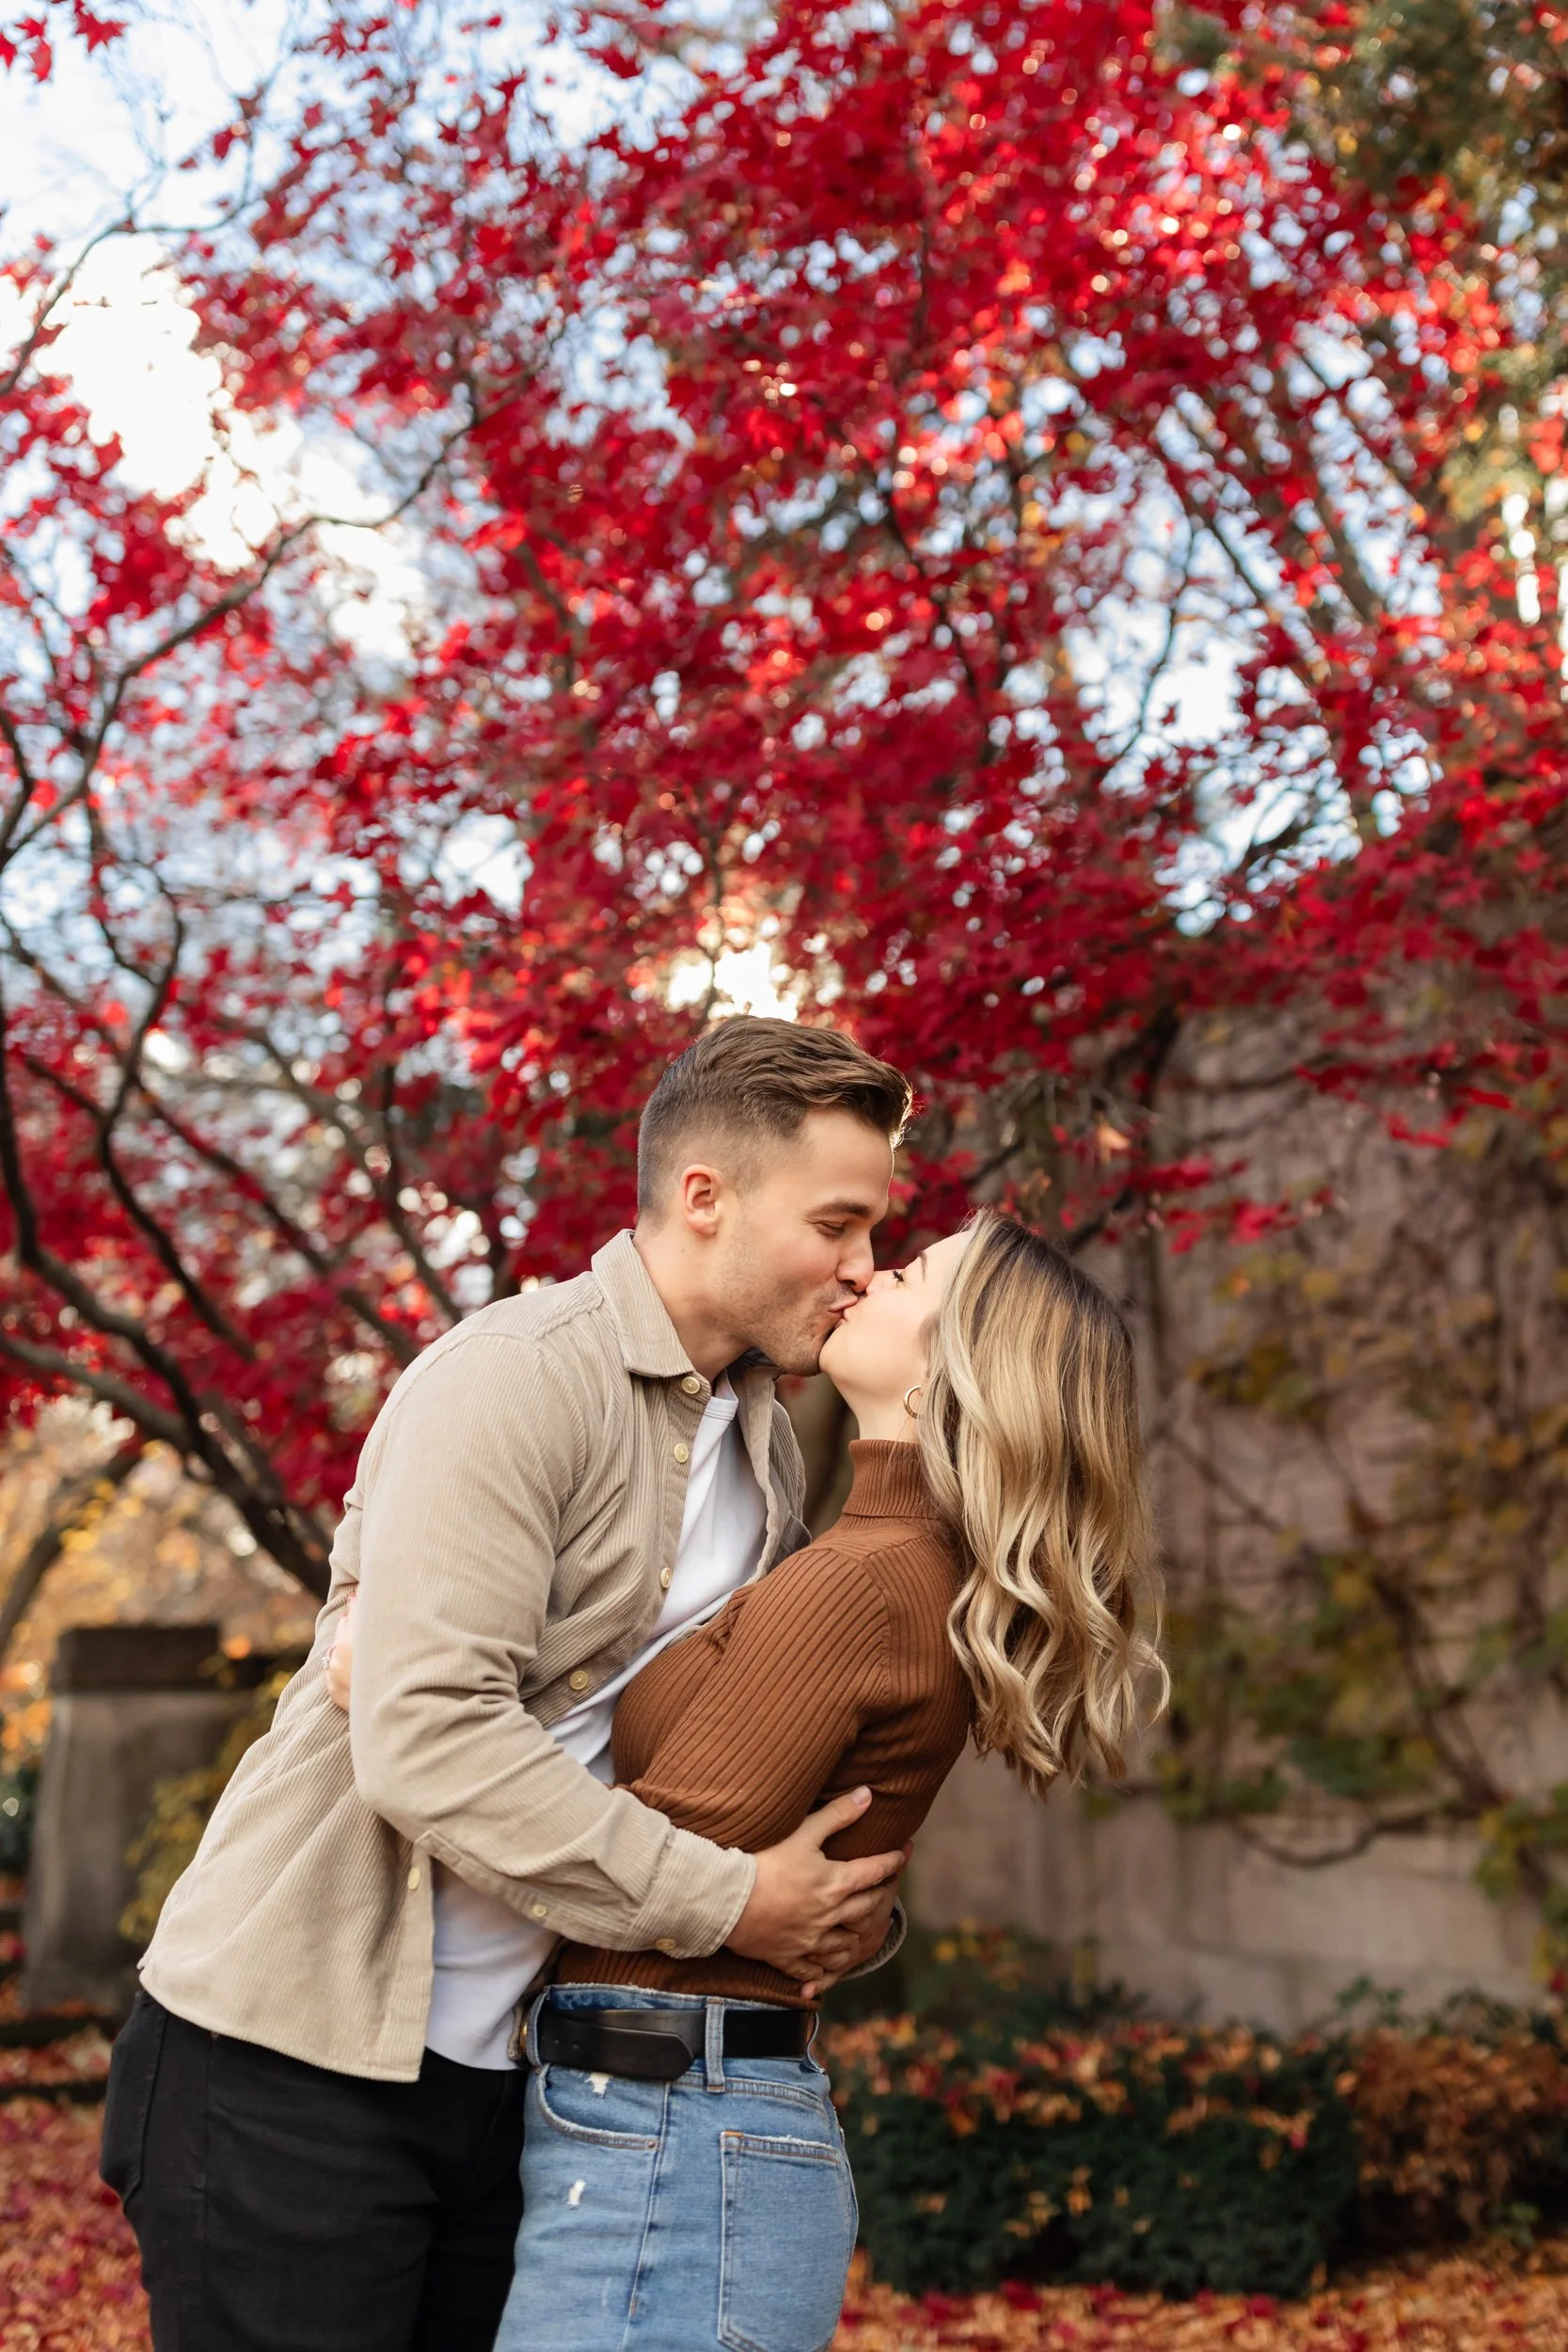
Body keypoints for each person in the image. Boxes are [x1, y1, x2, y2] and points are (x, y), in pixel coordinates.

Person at [100, 1016, 919, 2352]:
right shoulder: (516, 1383)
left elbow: (692, 1744)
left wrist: (820, 1912)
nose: (860, 1266)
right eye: (836, 1222)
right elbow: (424, 1741)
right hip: (292, 2068)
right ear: (702, 1199)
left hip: (517, 2080)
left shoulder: (761, 1445)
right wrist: (730, 1902)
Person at [333, 1208, 1166, 2352]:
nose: (871, 1271)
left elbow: (664, 1858)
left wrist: (404, 1698)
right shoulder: (872, 1555)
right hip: (674, 2123)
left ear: (954, 1364)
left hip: (670, 2128)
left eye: (911, 1271)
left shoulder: (863, 1580)